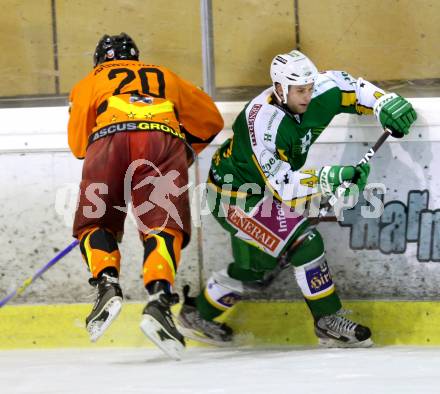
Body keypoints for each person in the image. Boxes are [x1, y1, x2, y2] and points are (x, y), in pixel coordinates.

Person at [177, 50, 417, 347]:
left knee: (257, 269)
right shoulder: (262, 122)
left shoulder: (318, 90)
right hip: (233, 196)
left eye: (309, 88)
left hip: (259, 190)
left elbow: (352, 87)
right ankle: (328, 320)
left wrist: (382, 102)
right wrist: (331, 177)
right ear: (279, 89)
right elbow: (285, 187)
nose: (307, 96)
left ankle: (198, 313)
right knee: (305, 242)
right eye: (300, 91)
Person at [67, 33, 224, 359]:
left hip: (107, 140)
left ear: (98, 61)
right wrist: (184, 151)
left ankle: (106, 281)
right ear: (137, 58)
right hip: (161, 140)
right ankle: (159, 300)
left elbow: (79, 146)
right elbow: (211, 120)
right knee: (163, 226)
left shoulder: (90, 81)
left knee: (95, 222)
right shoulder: (165, 75)